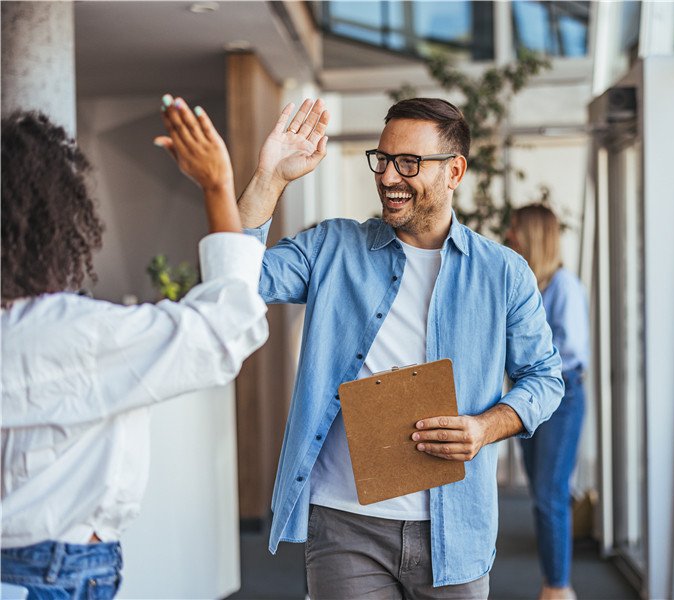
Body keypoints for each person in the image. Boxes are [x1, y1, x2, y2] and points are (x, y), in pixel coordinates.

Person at [237, 97, 564, 598]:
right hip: (344, 522)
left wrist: (485, 427)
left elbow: (545, 378)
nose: (389, 176)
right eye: (383, 159)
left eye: (409, 163)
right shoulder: (332, 247)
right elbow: (235, 282)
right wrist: (269, 179)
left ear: (454, 170)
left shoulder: (502, 272)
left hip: (455, 526)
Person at [0, 96, 268, 599]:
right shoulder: (73, 333)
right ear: (57, 220)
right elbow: (228, 328)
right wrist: (216, 186)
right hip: (56, 571)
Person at [506, 204, 590, 600]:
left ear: (533, 235)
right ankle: (551, 583)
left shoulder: (564, 286)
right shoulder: (530, 285)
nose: (509, 236)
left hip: (563, 395)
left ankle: (559, 588)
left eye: (515, 229)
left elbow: (568, 350)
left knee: (551, 492)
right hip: (529, 395)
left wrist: (524, 350)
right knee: (540, 493)